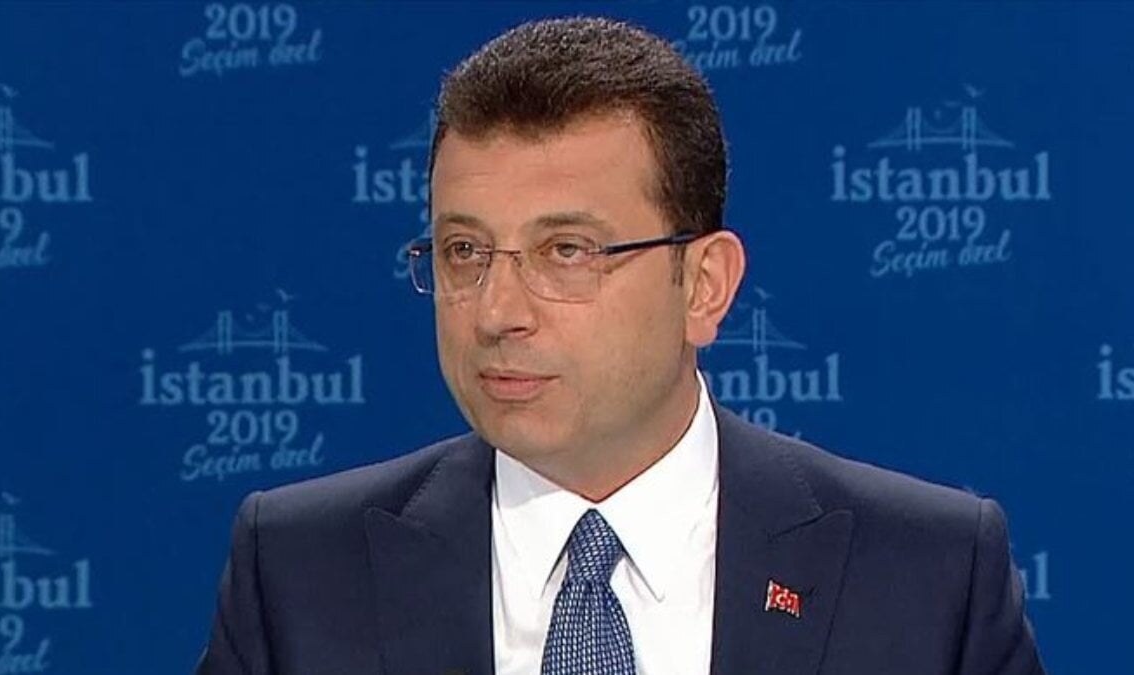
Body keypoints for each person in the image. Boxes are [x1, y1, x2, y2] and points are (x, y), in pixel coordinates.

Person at [196, 17, 1045, 675]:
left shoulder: (927, 576)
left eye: (566, 251)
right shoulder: (301, 572)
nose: (496, 311)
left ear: (704, 285)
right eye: (464, 251)